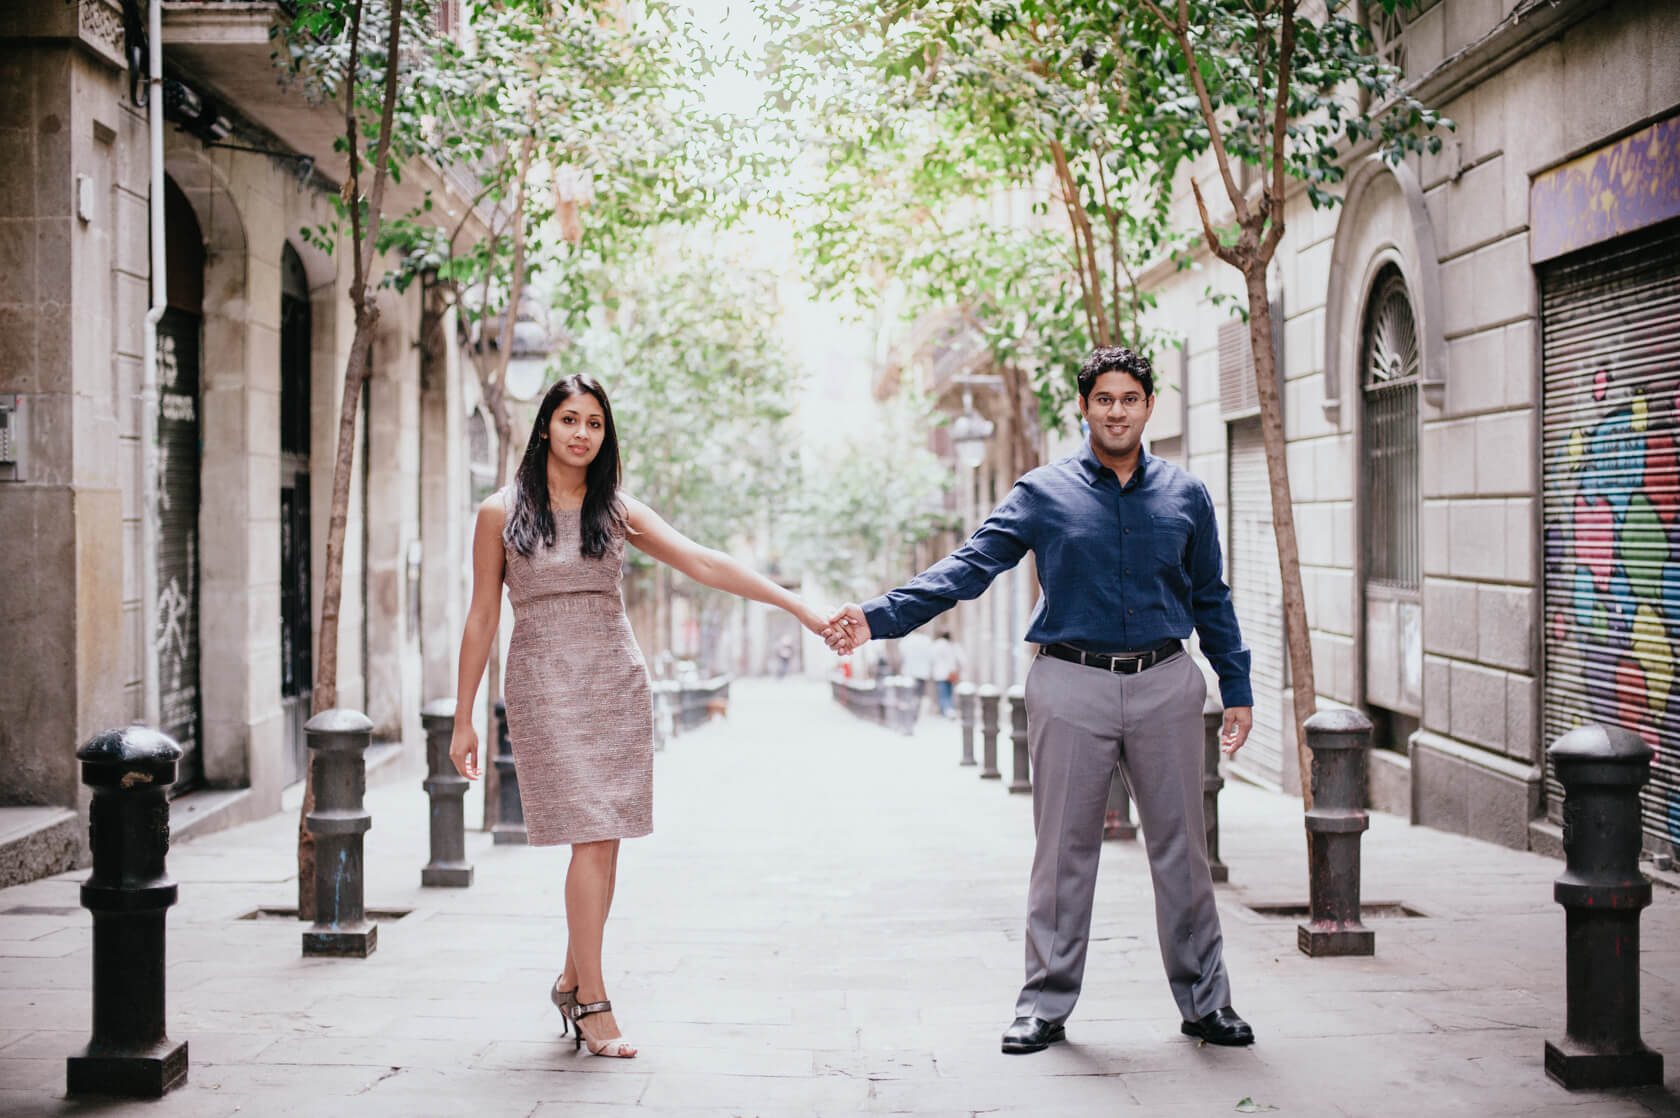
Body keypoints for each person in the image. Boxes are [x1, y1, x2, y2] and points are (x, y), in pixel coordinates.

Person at [824, 346, 1257, 1054]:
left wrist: (1233, 684)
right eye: (1104, 399)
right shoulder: (1041, 492)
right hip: (1069, 681)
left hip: (1165, 682)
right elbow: (968, 568)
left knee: (1184, 849)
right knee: (1062, 852)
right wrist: (877, 618)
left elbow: (1211, 595)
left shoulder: (1187, 496)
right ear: (1083, 407)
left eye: (1130, 399)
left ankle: (1207, 1003)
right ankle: (1044, 1006)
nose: (1117, 410)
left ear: (1150, 407)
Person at [449, 374, 832, 1059]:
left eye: (595, 423)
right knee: (590, 834)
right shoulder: (498, 512)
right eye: (569, 419)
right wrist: (464, 718)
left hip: (613, 680)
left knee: (605, 837)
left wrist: (798, 607)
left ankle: (573, 978)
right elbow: (482, 616)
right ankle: (593, 1001)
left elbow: (705, 562)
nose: (581, 434)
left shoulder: (616, 509)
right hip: (543, 683)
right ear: (544, 427)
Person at [929, 630, 964, 718]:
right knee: (948, 693)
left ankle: (946, 711)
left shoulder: (936, 645)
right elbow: (961, 659)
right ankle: (949, 710)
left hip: (939, 673)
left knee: (942, 694)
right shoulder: (952, 645)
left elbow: (931, 658)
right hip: (950, 673)